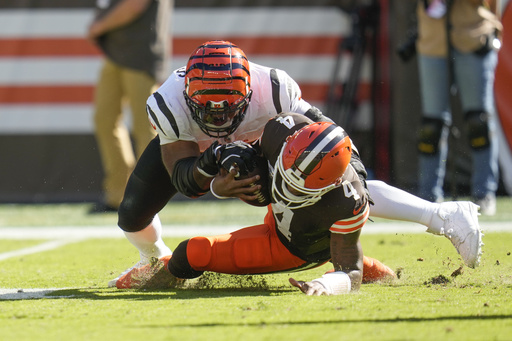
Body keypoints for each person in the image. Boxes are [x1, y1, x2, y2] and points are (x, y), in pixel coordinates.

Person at [109, 40, 482, 289]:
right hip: (200, 154)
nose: (219, 119)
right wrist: (212, 170)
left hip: (268, 144)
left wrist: (350, 179)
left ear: (250, 93)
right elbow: (184, 180)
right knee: (130, 214)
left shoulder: (274, 89)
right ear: (187, 94)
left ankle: (442, 216)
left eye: (229, 108)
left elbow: (334, 142)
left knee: (339, 177)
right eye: (207, 108)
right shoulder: (167, 102)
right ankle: (153, 256)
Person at [116, 113, 397, 294]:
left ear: (331, 184)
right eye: (285, 177)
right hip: (276, 220)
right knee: (188, 254)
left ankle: (355, 260)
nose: (285, 188)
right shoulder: (280, 130)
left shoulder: (348, 199)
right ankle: (160, 275)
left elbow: (352, 274)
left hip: (296, 246)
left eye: (297, 187)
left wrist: (328, 283)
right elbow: (249, 158)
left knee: (192, 253)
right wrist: (225, 176)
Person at [415, 0, 502, 215]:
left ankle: (484, 192)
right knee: (431, 126)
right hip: (432, 39)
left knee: (478, 121)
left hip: (473, 35)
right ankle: (429, 196)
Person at [87, 0, 172, 213]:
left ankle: (148, 196)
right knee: (105, 121)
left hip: (141, 55)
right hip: (117, 55)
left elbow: (135, 5)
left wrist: (99, 25)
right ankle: (119, 196)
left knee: (146, 128)